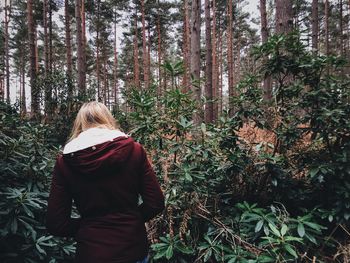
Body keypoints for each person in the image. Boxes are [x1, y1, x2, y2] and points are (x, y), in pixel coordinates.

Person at [46, 101, 165, 263]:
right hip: (132, 249)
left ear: (80, 124)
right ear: (108, 119)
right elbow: (155, 203)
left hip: (91, 253)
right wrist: (131, 220)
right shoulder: (134, 150)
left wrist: (90, 228)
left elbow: (56, 223)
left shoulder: (65, 162)